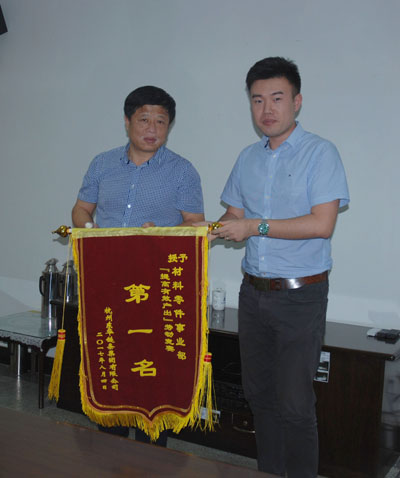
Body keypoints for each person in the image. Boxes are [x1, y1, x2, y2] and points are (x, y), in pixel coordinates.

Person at [206, 58, 349, 477]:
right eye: (257, 100)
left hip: (300, 297)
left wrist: (256, 226)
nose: (266, 109)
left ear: (296, 102)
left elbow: (322, 225)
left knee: (294, 404)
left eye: (277, 98)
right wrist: (182, 233)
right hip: (253, 295)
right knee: (260, 398)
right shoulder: (247, 158)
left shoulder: (320, 153)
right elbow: (232, 219)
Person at [72, 85, 205, 445]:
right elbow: (81, 209)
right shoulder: (102, 164)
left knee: (152, 369)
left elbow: (195, 225)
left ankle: (152, 454)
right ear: (127, 121)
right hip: (106, 285)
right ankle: (109, 444)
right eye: (144, 119)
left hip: (155, 292)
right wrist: (91, 233)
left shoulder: (182, 171)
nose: (152, 129)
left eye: (161, 121)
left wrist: (160, 234)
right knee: (111, 362)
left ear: (169, 126)